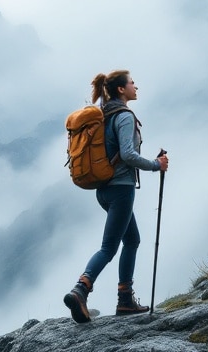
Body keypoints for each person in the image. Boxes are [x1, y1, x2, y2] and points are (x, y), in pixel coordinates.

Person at [64, 69, 170, 322]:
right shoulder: (123, 116)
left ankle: (125, 300)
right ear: (121, 89)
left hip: (103, 190)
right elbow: (127, 155)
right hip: (121, 189)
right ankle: (81, 288)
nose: (136, 86)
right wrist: (157, 164)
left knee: (132, 240)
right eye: (132, 83)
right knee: (109, 247)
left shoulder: (104, 114)